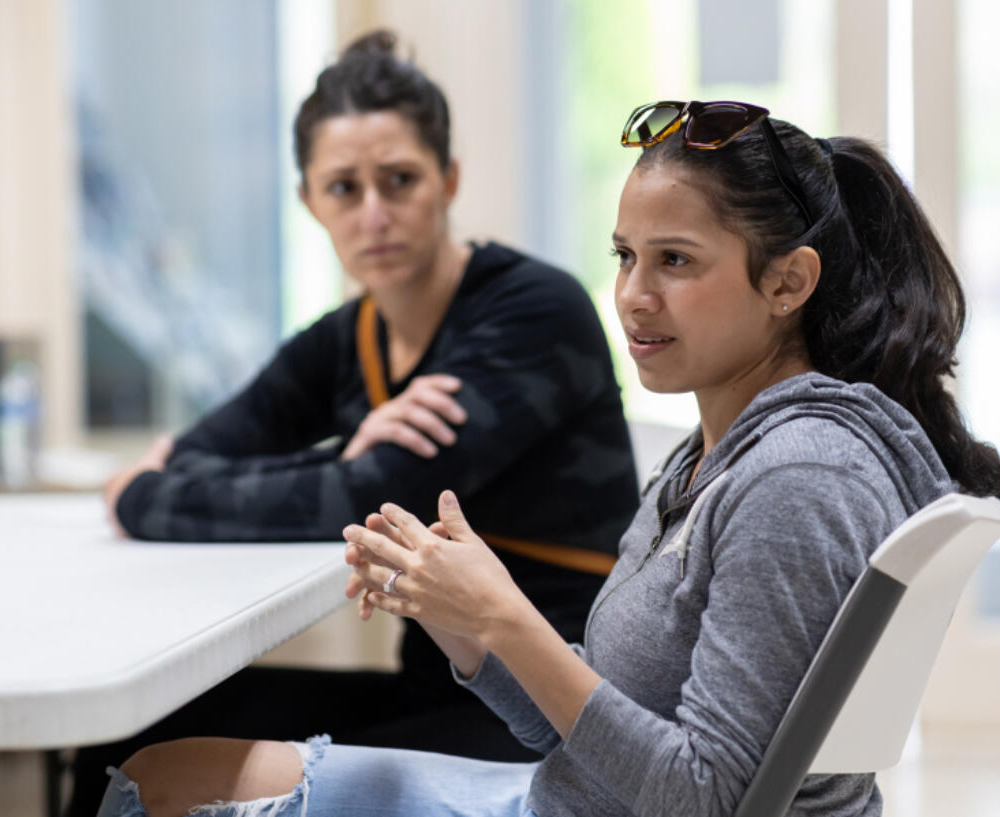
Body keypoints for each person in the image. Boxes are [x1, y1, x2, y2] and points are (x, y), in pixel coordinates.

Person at [94, 100, 1000, 817]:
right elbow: (569, 726)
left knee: (159, 782)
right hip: (559, 791)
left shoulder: (798, 477)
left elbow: (705, 797)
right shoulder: (717, 456)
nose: (631, 297)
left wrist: (509, 618)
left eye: (676, 261)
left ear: (788, 281)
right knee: (163, 765)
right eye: (626, 255)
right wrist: (469, 620)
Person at [67, 30, 641, 816]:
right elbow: (201, 457)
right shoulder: (348, 339)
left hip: (547, 712)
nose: (374, 213)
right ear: (309, 200)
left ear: (449, 181)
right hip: (439, 683)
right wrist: (348, 453)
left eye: (399, 180)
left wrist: (139, 497)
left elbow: (369, 494)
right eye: (344, 188)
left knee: (150, 754)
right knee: (121, 735)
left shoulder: (533, 311)